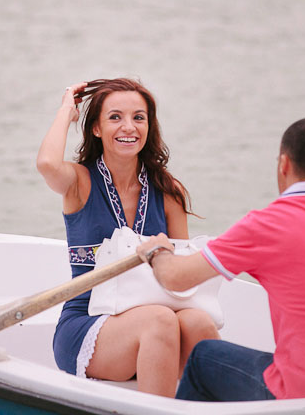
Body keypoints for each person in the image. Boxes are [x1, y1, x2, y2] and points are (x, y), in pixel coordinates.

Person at [137, 117, 305, 401]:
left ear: (283, 164)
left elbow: (176, 278)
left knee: (204, 357)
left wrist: (158, 251)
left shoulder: (268, 224)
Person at [37, 78, 219, 397]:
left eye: (139, 117)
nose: (129, 127)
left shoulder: (168, 191)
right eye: (115, 117)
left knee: (199, 323)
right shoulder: (80, 182)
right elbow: (47, 164)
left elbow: (182, 279)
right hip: (88, 321)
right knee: (160, 321)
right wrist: (67, 109)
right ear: (96, 128)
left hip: (154, 317)